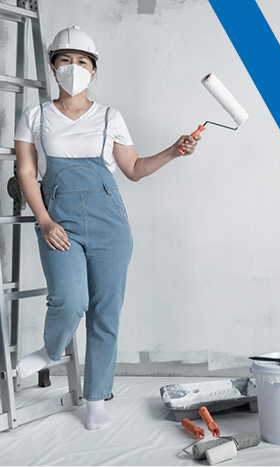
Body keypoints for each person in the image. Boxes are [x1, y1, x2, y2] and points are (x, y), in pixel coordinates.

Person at [14, 26, 200, 430]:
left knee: (105, 313)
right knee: (69, 300)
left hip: (110, 225)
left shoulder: (109, 117)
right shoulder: (35, 115)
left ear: (93, 71)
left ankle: (95, 398)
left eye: (82, 62)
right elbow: (26, 172)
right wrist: (44, 220)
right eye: (65, 60)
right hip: (57, 221)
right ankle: (51, 350)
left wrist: (174, 149)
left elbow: (132, 169)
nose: (73, 68)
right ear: (53, 67)